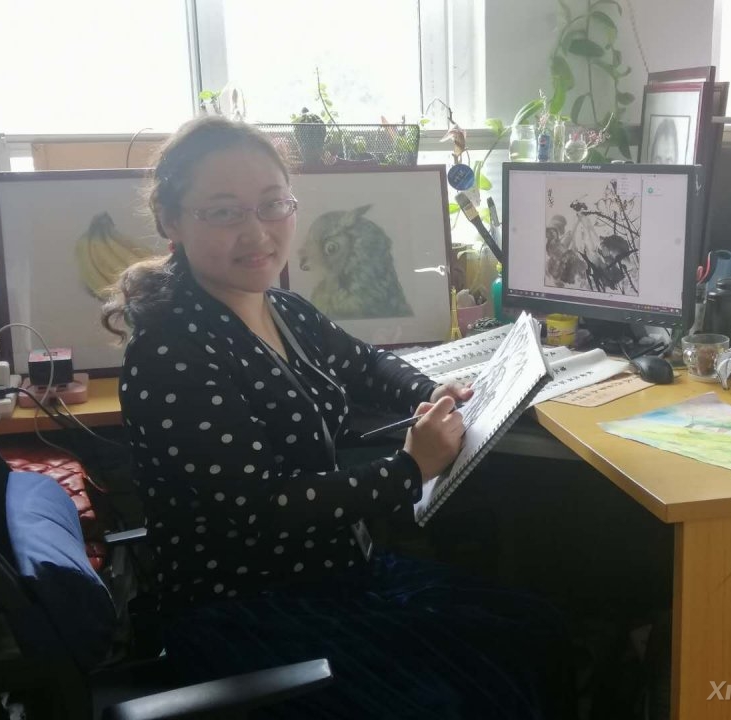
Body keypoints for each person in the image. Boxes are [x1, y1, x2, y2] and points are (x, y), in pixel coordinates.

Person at [102, 116, 573, 719]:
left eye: (273, 205)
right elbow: (259, 510)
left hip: (337, 573)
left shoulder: (281, 307)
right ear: (171, 221)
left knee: (536, 629)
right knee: (470, 691)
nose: (257, 232)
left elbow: (364, 364)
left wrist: (432, 389)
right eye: (223, 212)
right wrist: (409, 470)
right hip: (248, 607)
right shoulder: (171, 351)